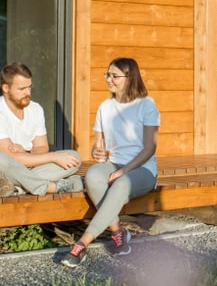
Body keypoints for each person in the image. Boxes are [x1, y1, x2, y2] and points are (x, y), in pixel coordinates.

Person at [61, 57, 159, 267]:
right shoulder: (105, 107)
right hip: (114, 164)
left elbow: (150, 148)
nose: (109, 79)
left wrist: (124, 170)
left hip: (142, 169)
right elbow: (99, 145)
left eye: (114, 76)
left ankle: (82, 243)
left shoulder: (146, 105)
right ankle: (118, 232)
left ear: (129, 78)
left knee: (122, 183)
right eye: (107, 75)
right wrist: (97, 152)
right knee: (93, 175)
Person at [0, 62, 83, 197]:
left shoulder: (35, 109)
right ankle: (50, 187)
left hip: (26, 168)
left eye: (29, 87)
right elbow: (10, 159)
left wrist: (26, 151)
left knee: (73, 157)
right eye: (22, 89)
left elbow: (42, 147)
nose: (28, 93)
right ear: (6, 88)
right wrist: (53, 157)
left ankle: (15, 188)